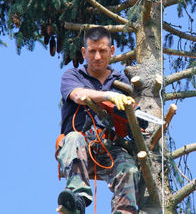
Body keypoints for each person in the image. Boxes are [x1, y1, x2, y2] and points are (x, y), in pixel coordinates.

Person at [56, 27, 139, 214]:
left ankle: (124, 211)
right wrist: (107, 96)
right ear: (84, 53)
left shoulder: (121, 81)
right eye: (92, 51)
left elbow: (131, 115)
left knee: (130, 168)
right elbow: (78, 95)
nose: (98, 57)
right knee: (72, 139)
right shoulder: (73, 76)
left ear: (111, 51)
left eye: (102, 51)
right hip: (81, 146)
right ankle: (77, 200)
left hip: (111, 147)